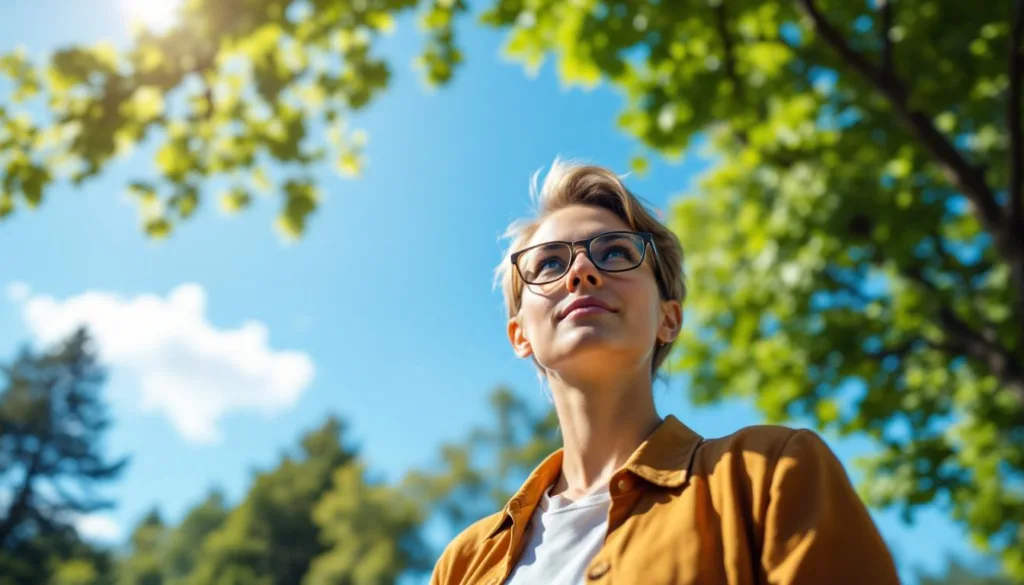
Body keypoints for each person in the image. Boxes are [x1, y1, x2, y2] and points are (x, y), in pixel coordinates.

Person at [429, 159, 900, 585]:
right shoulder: (463, 564)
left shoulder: (772, 475)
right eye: (550, 262)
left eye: (613, 252)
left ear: (668, 319)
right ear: (520, 335)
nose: (580, 272)